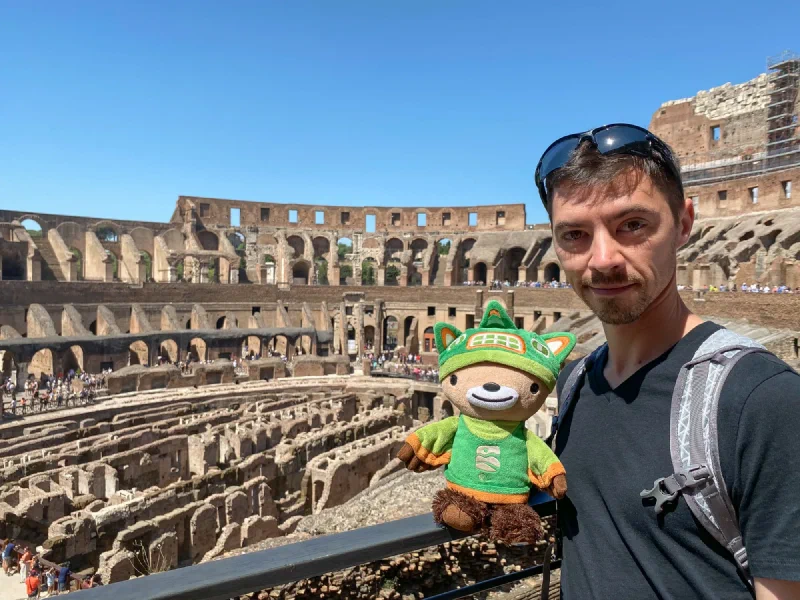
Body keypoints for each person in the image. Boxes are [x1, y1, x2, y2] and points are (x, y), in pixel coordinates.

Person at [534, 123, 800, 599]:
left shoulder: (764, 401)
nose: (603, 258)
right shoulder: (574, 383)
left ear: (683, 223)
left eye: (632, 225)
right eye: (574, 234)